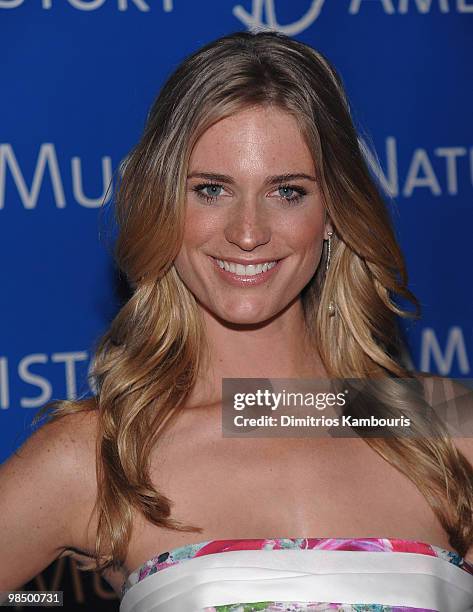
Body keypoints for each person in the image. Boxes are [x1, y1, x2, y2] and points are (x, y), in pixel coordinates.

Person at [1, 30, 472, 612]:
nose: (247, 233)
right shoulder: (103, 456)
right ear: (164, 204)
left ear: (332, 214)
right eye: (211, 189)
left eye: (287, 192)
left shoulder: (446, 425)